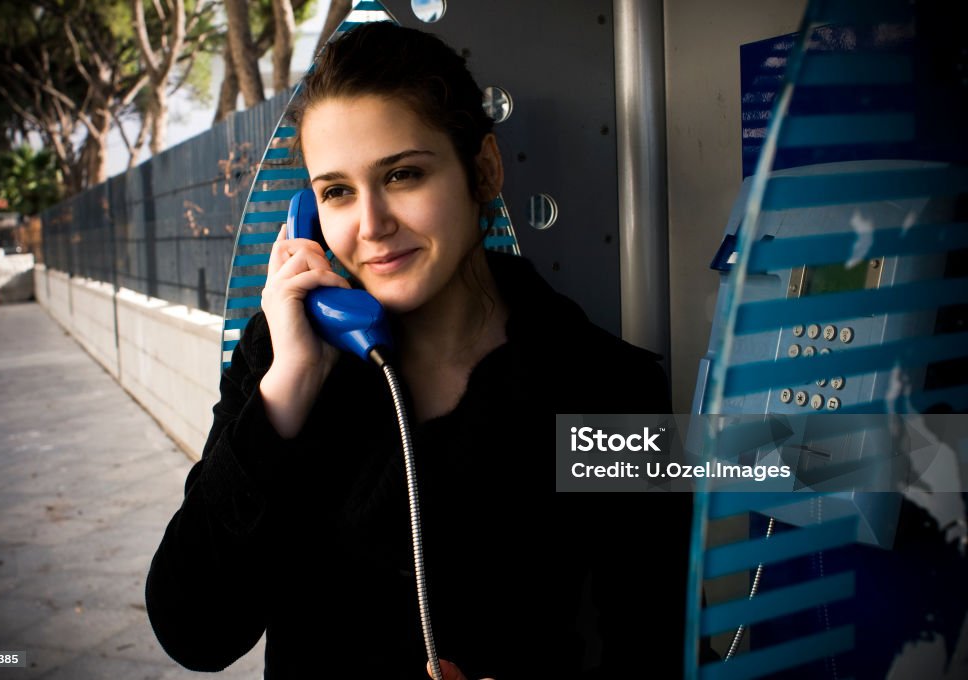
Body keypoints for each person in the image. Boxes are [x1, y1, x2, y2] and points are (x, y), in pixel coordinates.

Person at [146, 21, 692, 679]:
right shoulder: (285, 359)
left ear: (482, 170)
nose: (371, 225)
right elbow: (194, 631)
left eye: (402, 174)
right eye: (337, 191)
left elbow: (656, 642)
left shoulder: (604, 388)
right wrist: (286, 392)